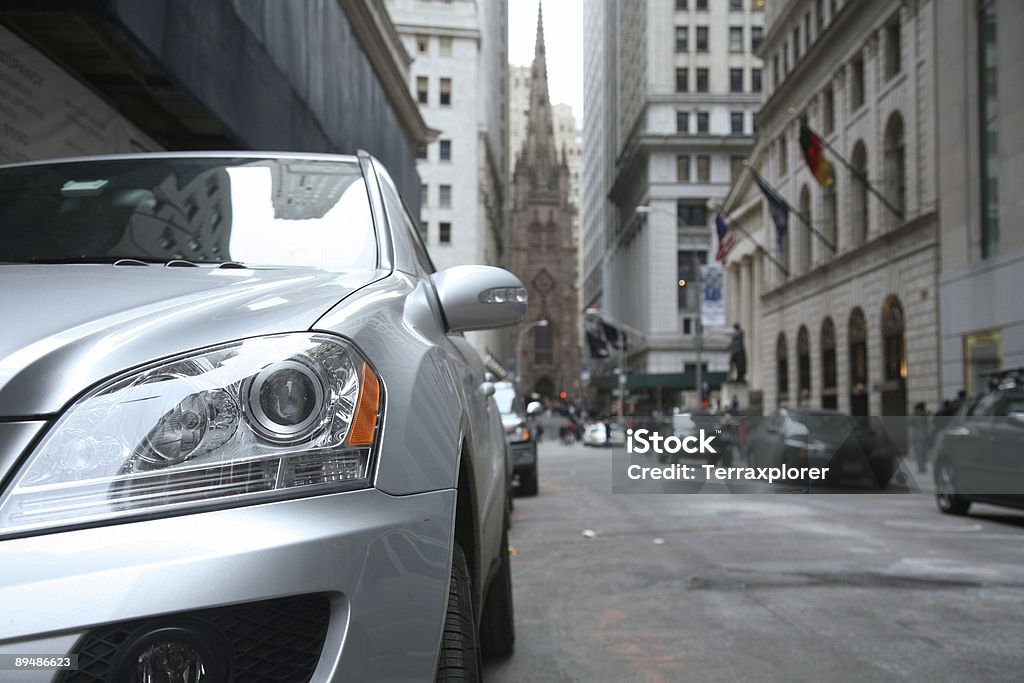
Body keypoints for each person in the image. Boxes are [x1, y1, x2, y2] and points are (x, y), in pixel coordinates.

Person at [909, 402, 931, 474]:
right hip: (924, 434)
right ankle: (923, 468)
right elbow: (928, 424)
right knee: (924, 452)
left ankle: (920, 468)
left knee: (918, 452)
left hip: (916, 435)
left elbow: (909, 423)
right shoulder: (925, 414)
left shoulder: (914, 414)